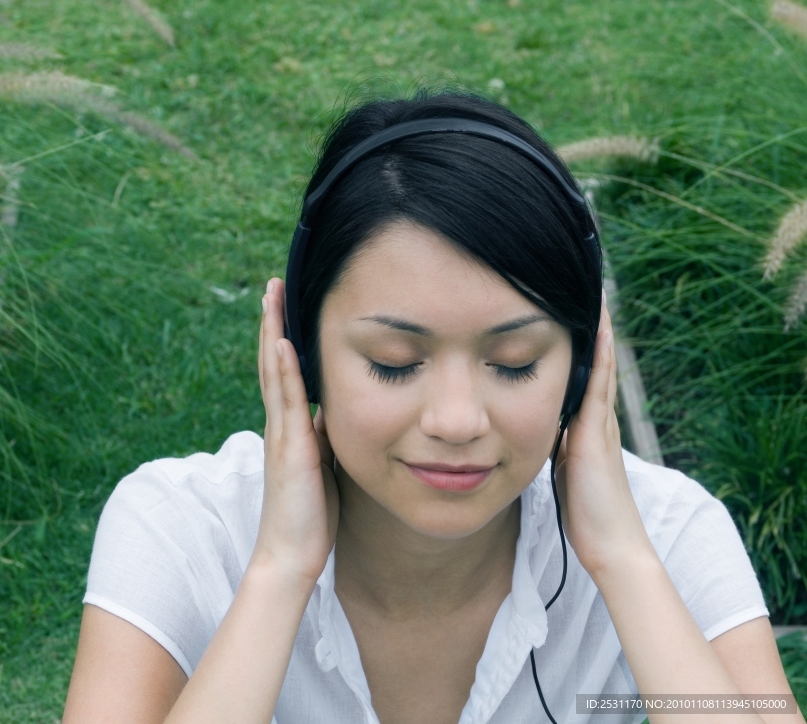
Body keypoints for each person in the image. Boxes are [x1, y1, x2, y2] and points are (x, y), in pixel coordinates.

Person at [62, 91, 802, 724]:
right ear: (301, 349)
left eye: (514, 365)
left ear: (582, 368)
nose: (456, 421)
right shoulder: (182, 528)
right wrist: (281, 571)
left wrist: (622, 561)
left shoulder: (665, 533)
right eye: (395, 363)